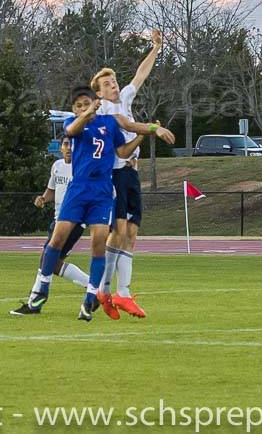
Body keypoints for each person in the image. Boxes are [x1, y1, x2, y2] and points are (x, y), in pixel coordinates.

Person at [22, 87, 146, 321]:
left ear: (96, 102)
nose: (82, 107)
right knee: (56, 240)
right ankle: (41, 289)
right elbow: (71, 129)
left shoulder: (109, 124)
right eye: (78, 105)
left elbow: (122, 151)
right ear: (73, 108)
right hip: (78, 190)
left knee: (98, 243)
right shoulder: (73, 123)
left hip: (101, 192)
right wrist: (86, 113)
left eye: (86, 103)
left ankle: (90, 298)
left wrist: (142, 135)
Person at [92, 29, 175, 319]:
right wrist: (152, 129)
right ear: (99, 92)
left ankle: (118, 292)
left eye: (113, 80)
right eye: (107, 83)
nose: (113, 85)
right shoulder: (103, 111)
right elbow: (123, 149)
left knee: (133, 232)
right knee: (119, 232)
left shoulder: (123, 97)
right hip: (115, 175)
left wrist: (156, 47)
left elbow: (140, 75)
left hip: (131, 174)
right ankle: (109, 290)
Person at [10, 137, 89, 316]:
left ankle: (34, 302)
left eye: (73, 145)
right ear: (60, 147)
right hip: (57, 220)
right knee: (52, 263)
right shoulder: (57, 166)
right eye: (66, 144)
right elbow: (52, 189)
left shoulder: (83, 167)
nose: (69, 148)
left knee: (47, 259)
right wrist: (44, 198)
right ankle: (93, 287)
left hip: (73, 222)